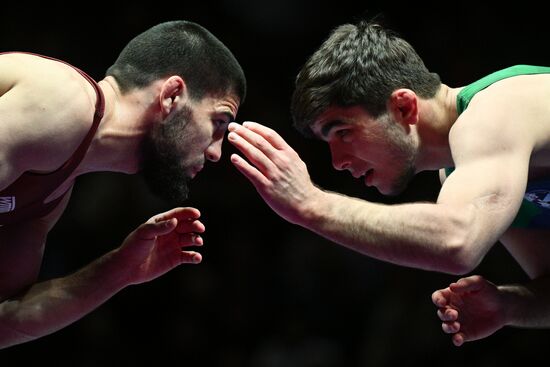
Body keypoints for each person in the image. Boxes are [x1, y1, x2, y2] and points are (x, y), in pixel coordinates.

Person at [226, 20, 550, 346]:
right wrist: (510, 305)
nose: (338, 161)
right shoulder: (461, 172)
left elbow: (458, 241)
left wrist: (310, 203)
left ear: (403, 107)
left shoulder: (493, 115)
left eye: (343, 133)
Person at [0, 20, 246, 348]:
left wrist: (120, 269)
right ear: (172, 96)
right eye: (218, 122)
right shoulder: (61, 102)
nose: (216, 153)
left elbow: (6, 323)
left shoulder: (56, 188)